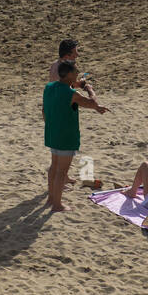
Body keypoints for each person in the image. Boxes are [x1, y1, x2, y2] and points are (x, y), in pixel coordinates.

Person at [43, 61, 108, 211]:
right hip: (66, 136)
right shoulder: (72, 93)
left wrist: (77, 86)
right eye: (76, 73)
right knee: (62, 171)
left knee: (54, 167)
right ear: (69, 75)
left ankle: (51, 200)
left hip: (52, 133)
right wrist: (90, 90)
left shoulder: (49, 87)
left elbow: (46, 109)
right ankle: (57, 205)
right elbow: (92, 102)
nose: (78, 75)